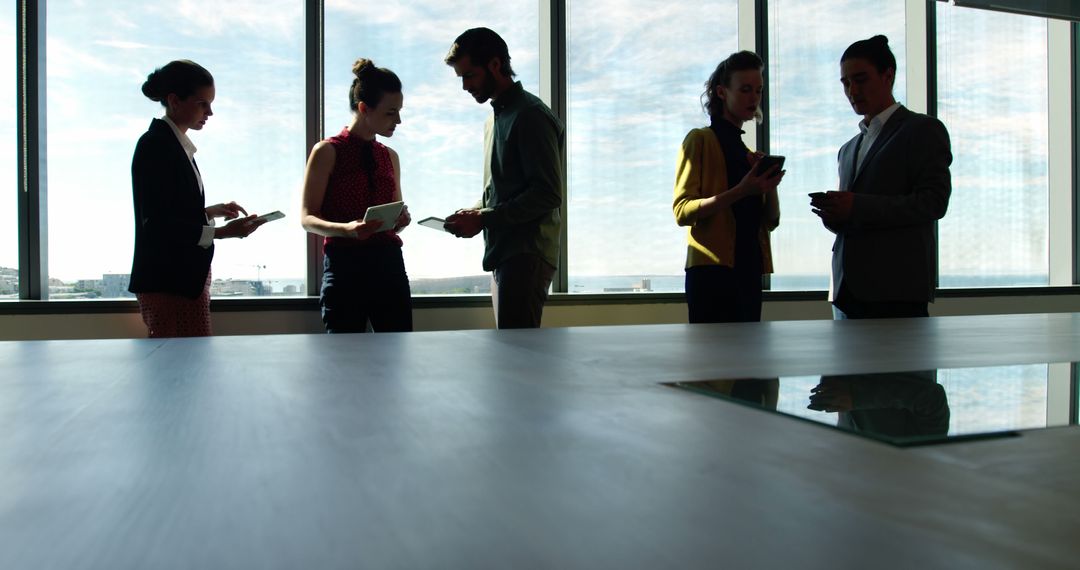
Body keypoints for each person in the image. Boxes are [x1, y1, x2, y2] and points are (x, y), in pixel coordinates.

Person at [811, 35, 952, 319]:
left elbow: (934, 202)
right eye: (846, 83)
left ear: (888, 76)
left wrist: (856, 206)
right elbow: (857, 214)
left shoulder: (923, 129)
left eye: (860, 79)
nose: (852, 90)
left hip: (896, 291)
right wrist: (836, 216)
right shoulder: (848, 149)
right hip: (845, 292)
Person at [129, 60, 265, 338]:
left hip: (180, 281)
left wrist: (208, 212)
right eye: (203, 103)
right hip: (170, 283)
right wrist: (223, 233)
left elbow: (169, 212)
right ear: (174, 101)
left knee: (183, 367)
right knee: (179, 368)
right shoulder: (156, 145)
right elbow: (157, 224)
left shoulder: (173, 146)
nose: (210, 112)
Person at [443, 27, 564, 329]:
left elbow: (548, 194)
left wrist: (483, 219)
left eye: (469, 76)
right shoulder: (495, 119)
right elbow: (501, 191)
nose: (464, 86)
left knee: (518, 360)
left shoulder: (530, 115)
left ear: (495, 65)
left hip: (527, 254)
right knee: (511, 355)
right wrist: (473, 213)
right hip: (506, 254)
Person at [300, 58, 412, 333]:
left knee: (397, 357)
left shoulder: (390, 156)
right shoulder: (327, 151)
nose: (398, 120)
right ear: (364, 108)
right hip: (345, 267)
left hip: (389, 265)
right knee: (344, 362)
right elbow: (307, 218)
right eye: (390, 112)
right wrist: (347, 230)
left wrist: (401, 219)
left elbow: (396, 209)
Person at [672, 51, 783, 323]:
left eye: (758, 90)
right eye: (745, 89)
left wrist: (769, 185)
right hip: (712, 274)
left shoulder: (748, 153)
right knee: (715, 362)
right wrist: (742, 190)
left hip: (749, 271)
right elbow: (682, 211)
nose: (754, 98)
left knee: (746, 362)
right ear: (722, 92)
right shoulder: (699, 141)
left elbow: (772, 220)